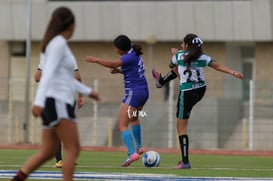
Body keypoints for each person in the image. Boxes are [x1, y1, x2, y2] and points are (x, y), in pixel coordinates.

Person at [11, 6, 100, 181]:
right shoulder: (58, 44)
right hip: (58, 101)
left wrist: (88, 91)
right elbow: (47, 75)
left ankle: (17, 178)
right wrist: (38, 101)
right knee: (73, 148)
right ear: (71, 25)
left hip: (54, 101)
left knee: (47, 151)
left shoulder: (53, 44)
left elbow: (64, 77)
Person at [152, 33, 243, 169]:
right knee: (180, 71)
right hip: (200, 90)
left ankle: (185, 162)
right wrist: (233, 72)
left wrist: (177, 54)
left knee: (181, 128)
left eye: (183, 44)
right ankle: (161, 82)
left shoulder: (178, 56)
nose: (181, 46)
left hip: (187, 92)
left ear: (187, 45)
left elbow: (171, 65)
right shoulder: (203, 57)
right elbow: (217, 65)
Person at [85, 34, 149, 167]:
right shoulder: (134, 52)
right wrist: (120, 71)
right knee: (134, 118)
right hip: (143, 92)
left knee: (122, 125)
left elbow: (113, 63)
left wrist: (95, 59)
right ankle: (139, 147)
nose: (115, 50)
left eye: (116, 48)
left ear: (121, 49)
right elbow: (134, 70)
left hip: (134, 93)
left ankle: (132, 153)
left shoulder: (129, 56)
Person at [34, 57, 84, 168]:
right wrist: (80, 95)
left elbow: (37, 78)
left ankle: (60, 160)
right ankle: (72, 157)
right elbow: (78, 78)